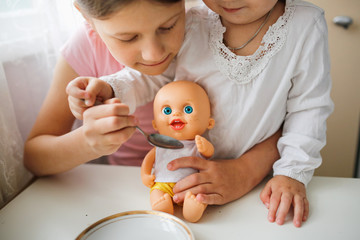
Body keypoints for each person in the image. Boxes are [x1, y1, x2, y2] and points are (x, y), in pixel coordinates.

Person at [67, 0, 333, 227]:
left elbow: (309, 107)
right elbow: (153, 79)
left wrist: (292, 172)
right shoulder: (193, 21)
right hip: (190, 176)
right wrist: (112, 88)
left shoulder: (305, 24)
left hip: (264, 184)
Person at [24, 0, 280, 226]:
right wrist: (87, 142)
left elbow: (283, 120)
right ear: (87, 18)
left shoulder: (206, 31)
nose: (154, 54)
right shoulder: (85, 48)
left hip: (230, 195)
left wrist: (245, 171)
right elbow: (34, 157)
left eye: (168, 26)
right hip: (127, 199)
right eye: (127, 38)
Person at [141, 80, 215, 222]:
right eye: (167, 111)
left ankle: (193, 208)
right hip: (162, 183)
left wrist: (205, 148)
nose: (176, 114)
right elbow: (149, 160)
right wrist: (145, 174)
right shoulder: (160, 144)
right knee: (156, 192)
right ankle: (162, 205)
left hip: (191, 184)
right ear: (155, 124)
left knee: (200, 193)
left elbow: (208, 154)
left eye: (188, 109)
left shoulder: (197, 143)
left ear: (209, 123)